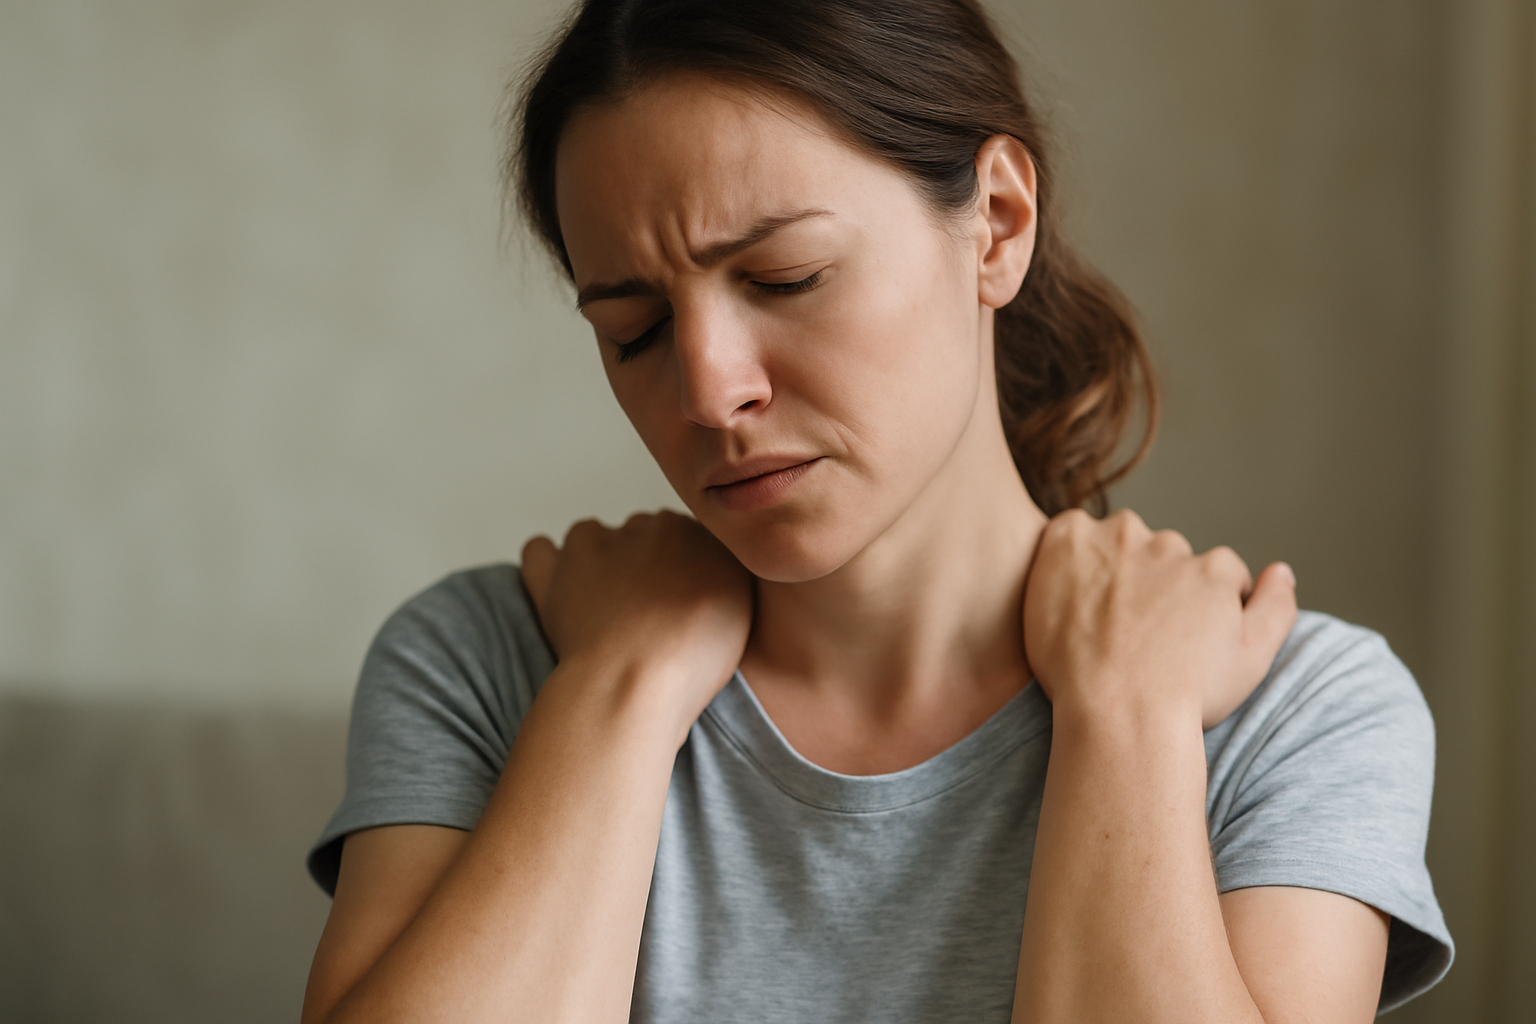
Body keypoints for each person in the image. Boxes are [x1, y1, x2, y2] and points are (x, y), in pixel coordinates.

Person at [300, 1, 1453, 1021]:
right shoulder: (490, 664)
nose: (709, 391)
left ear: (995, 223)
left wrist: (1126, 717)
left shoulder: (1297, 711)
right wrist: (620, 688)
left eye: (784, 277)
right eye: (634, 330)